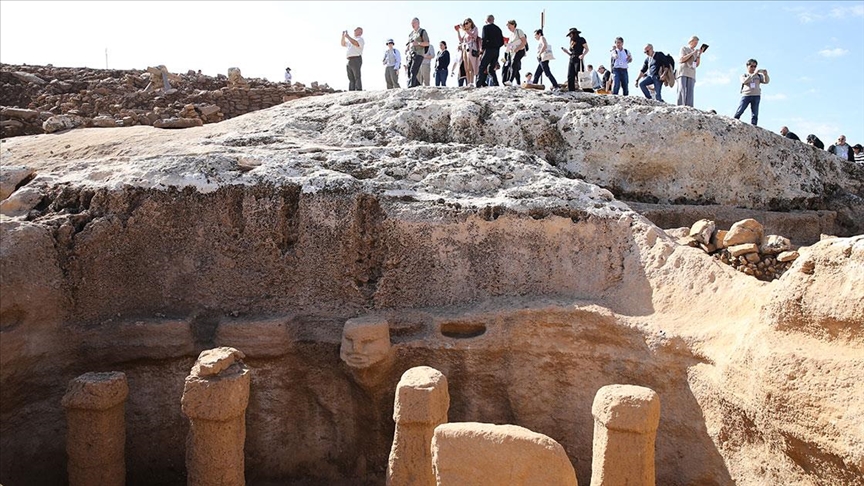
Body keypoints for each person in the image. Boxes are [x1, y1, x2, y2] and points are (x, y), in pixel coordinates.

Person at [733, 59, 769, 126]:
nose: (753, 68)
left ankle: (754, 125)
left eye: (755, 66)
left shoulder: (758, 76)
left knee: (755, 113)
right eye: (751, 66)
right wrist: (753, 75)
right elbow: (744, 81)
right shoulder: (744, 75)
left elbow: (766, 81)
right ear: (747, 66)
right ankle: (734, 121)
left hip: (756, 95)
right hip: (746, 95)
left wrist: (765, 75)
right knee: (740, 109)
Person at [476, 15, 504, 87]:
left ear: (486, 20)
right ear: (493, 20)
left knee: (482, 66)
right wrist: (497, 46)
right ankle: (496, 83)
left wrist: (483, 48)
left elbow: (484, 38)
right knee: (491, 68)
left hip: (489, 50)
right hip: (496, 51)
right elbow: (502, 42)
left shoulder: (486, 27)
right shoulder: (498, 29)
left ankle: (479, 83)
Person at [676, 35, 702, 106]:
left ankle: (689, 106)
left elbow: (696, 65)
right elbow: (681, 59)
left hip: (691, 73)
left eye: (697, 43)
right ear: (690, 42)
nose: (696, 44)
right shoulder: (684, 48)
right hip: (683, 71)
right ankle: (680, 105)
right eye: (695, 42)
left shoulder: (695, 52)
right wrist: (692, 53)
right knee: (682, 89)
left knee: (690, 91)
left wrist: (699, 56)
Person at [456, 18, 480, 87]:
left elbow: (473, 35)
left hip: (471, 48)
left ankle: (471, 82)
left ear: (471, 23)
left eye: (467, 23)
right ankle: (468, 82)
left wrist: (465, 30)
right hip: (465, 49)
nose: (465, 25)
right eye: (464, 24)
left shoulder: (474, 29)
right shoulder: (465, 32)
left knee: (471, 66)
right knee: (466, 67)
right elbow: (461, 40)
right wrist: (458, 31)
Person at [562, 27, 589, 92]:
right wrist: (566, 52)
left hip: (578, 58)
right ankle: (571, 90)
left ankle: (584, 88)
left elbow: (587, 49)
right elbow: (571, 53)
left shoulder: (581, 39)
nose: (570, 36)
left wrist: (583, 55)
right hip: (572, 58)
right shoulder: (571, 41)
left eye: (570, 35)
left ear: (574, 34)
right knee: (570, 75)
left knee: (579, 74)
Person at [406, 18, 430, 88]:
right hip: (412, 54)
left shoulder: (422, 31)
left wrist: (418, 43)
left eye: (414, 23)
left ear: (418, 23)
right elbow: (410, 43)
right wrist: (407, 48)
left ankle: (411, 85)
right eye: (412, 23)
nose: (413, 25)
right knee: (409, 71)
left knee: (413, 70)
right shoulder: (411, 34)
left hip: (419, 53)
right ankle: (417, 85)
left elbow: (427, 43)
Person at [341, 27, 365, 91]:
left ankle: (358, 90)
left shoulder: (360, 39)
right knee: (351, 78)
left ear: (360, 32)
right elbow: (343, 44)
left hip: (356, 58)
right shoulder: (351, 40)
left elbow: (356, 43)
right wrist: (343, 36)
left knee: (357, 76)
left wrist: (348, 36)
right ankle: (351, 90)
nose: (354, 31)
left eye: (356, 30)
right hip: (349, 59)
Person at [505, 20, 528, 86]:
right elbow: (511, 44)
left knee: (514, 63)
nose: (508, 27)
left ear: (513, 25)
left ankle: (510, 81)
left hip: (520, 50)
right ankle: (518, 83)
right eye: (507, 25)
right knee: (514, 66)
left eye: (509, 25)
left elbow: (524, 42)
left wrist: (517, 48)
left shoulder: (519, 31)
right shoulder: (511, 35)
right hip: (514, 52)